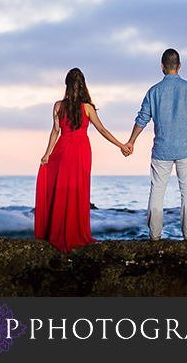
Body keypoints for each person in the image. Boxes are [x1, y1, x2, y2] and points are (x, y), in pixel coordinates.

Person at [35, 67, 129, 252]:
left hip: (63, 148)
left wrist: (47, 154)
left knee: (61, 189)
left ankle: (58, 232)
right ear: (83, 85)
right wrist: (121, 145)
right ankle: (75, 232)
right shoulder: (87, 108)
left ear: (67, 85)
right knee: (78, 189)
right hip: (80, 151)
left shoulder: (58, 106)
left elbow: (55, 131)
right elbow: (102, 130)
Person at [124, 48, 187, 241]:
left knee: (157, 192)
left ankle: (154, 235)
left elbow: (142, 119)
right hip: (186, 148)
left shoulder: (153, 91)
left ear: (162, 66)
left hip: (161, 149)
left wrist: (131, 141)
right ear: (179, 66)